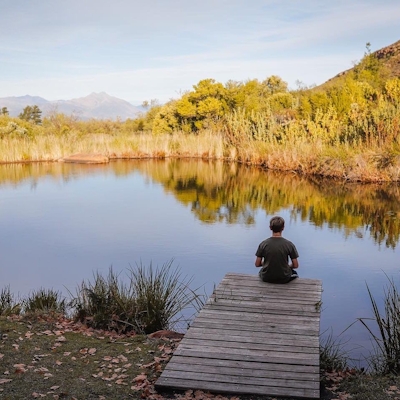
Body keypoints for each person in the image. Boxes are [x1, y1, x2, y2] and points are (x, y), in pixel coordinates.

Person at [255, 216, 299, 283]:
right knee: (294, 273)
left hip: (267, 278)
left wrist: (267, 263)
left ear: (270, 228)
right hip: (284, 278)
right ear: (283, 228)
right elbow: (295, 265)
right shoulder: (289, 244)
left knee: (261, 271)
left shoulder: (263, 244)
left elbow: (257, 264)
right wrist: (287, 266)